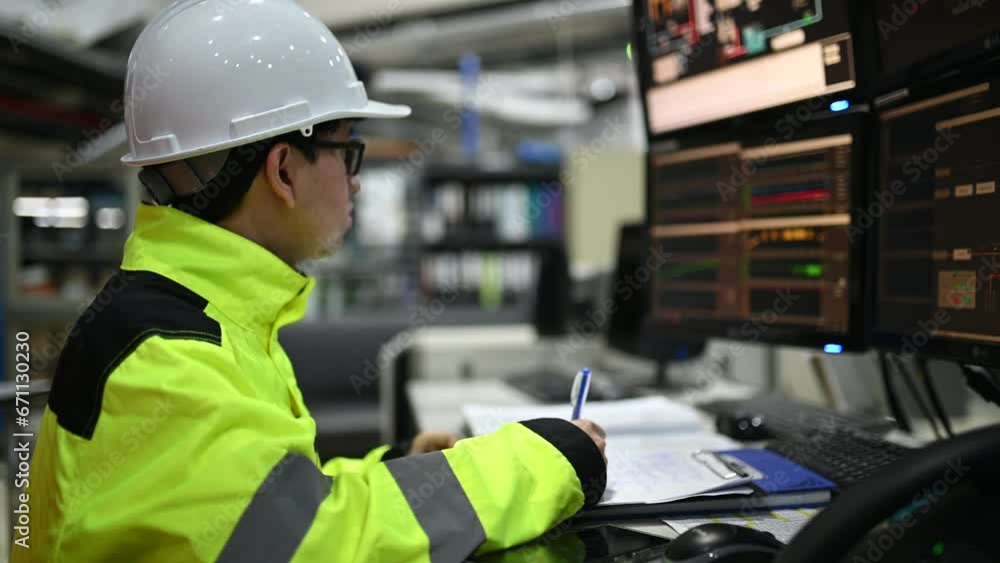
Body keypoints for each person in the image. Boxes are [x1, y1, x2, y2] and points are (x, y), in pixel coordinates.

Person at [13, 1, 608, 562]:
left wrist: (410, 470)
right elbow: (318, 545)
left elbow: (270, 507)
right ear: (283, 171)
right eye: (348, 152)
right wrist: (537, 462)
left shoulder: (194, 319)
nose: (356, 181)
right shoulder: (166, 362)